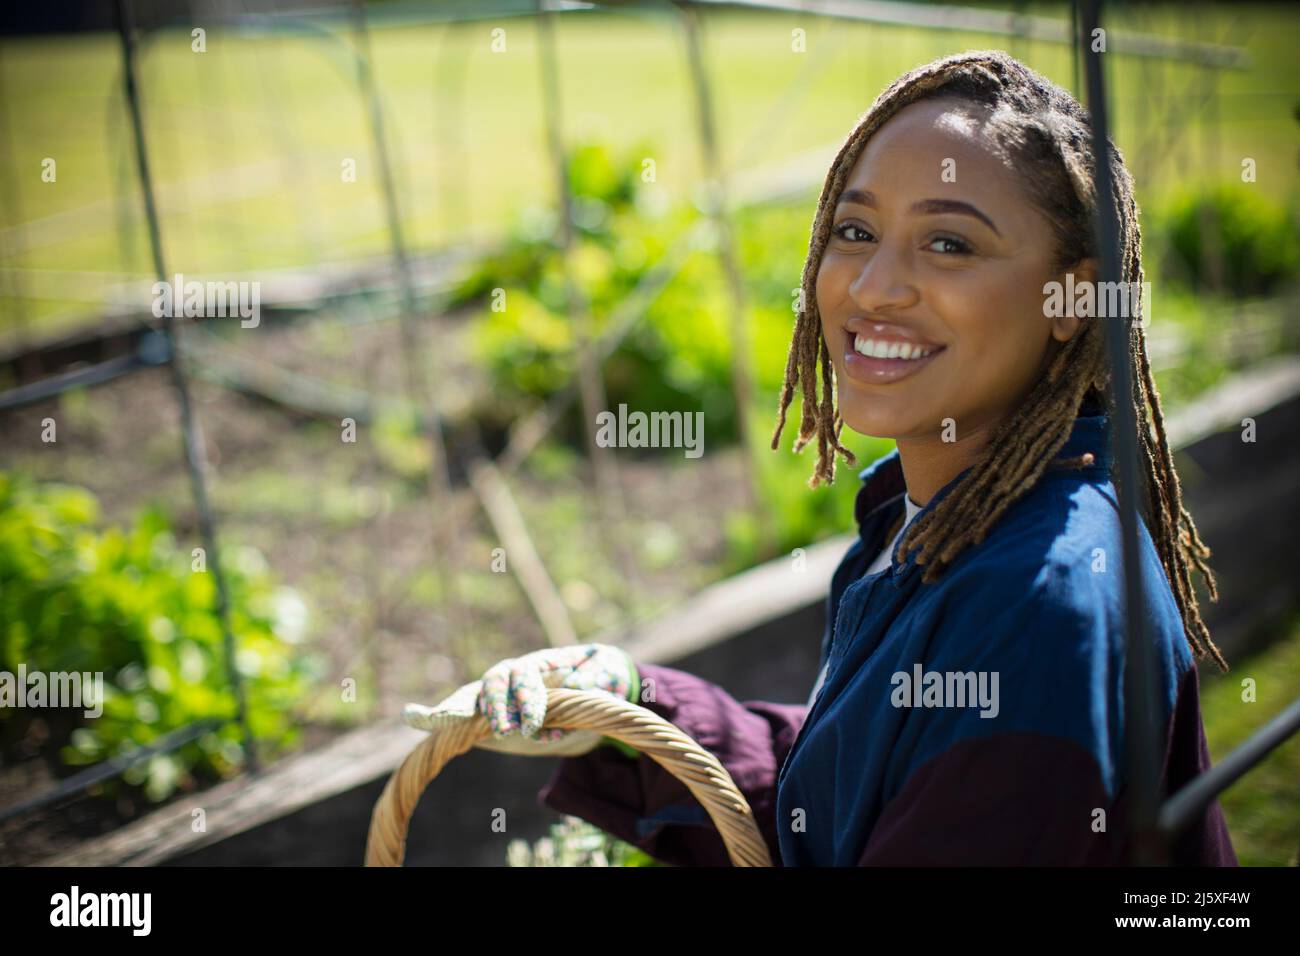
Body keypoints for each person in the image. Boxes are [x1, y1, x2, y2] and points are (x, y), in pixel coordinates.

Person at [428, 50, 1238, 866]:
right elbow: (834, 806)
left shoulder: (1041, 608)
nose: (875, 286)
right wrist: (636, 706)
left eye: (949, 243)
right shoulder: (930, 520)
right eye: (855, 232)